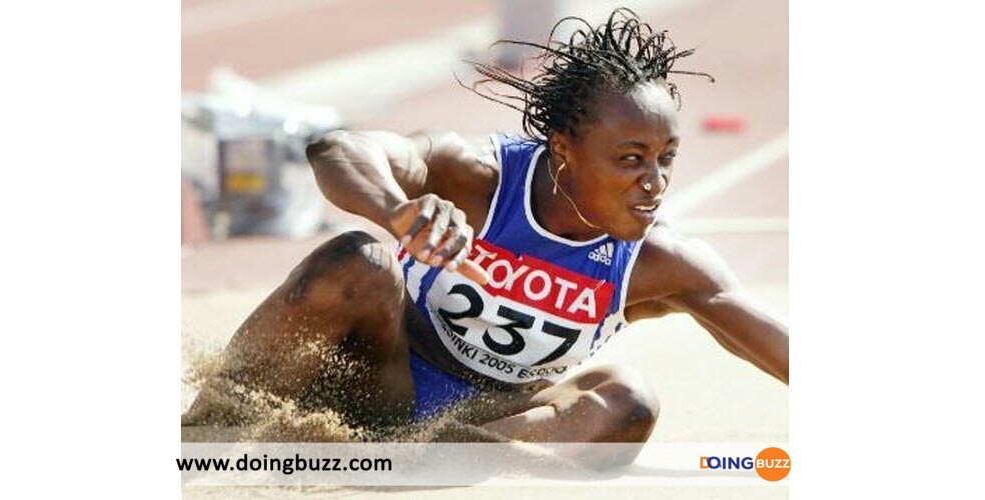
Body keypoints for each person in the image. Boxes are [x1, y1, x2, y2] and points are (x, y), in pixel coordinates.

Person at [184, 8, 788, 462]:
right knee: (360, 260)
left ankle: (424, 466)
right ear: (564, 152)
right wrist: (398, 211)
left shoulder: (662, 262)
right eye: (631, 159)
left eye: (667, 158)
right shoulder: (474, 177)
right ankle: (203, 431)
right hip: (376, 376)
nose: (654, 182)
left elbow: (773, 342)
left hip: (487, 421)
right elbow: (337, 149)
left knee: (626, 399)